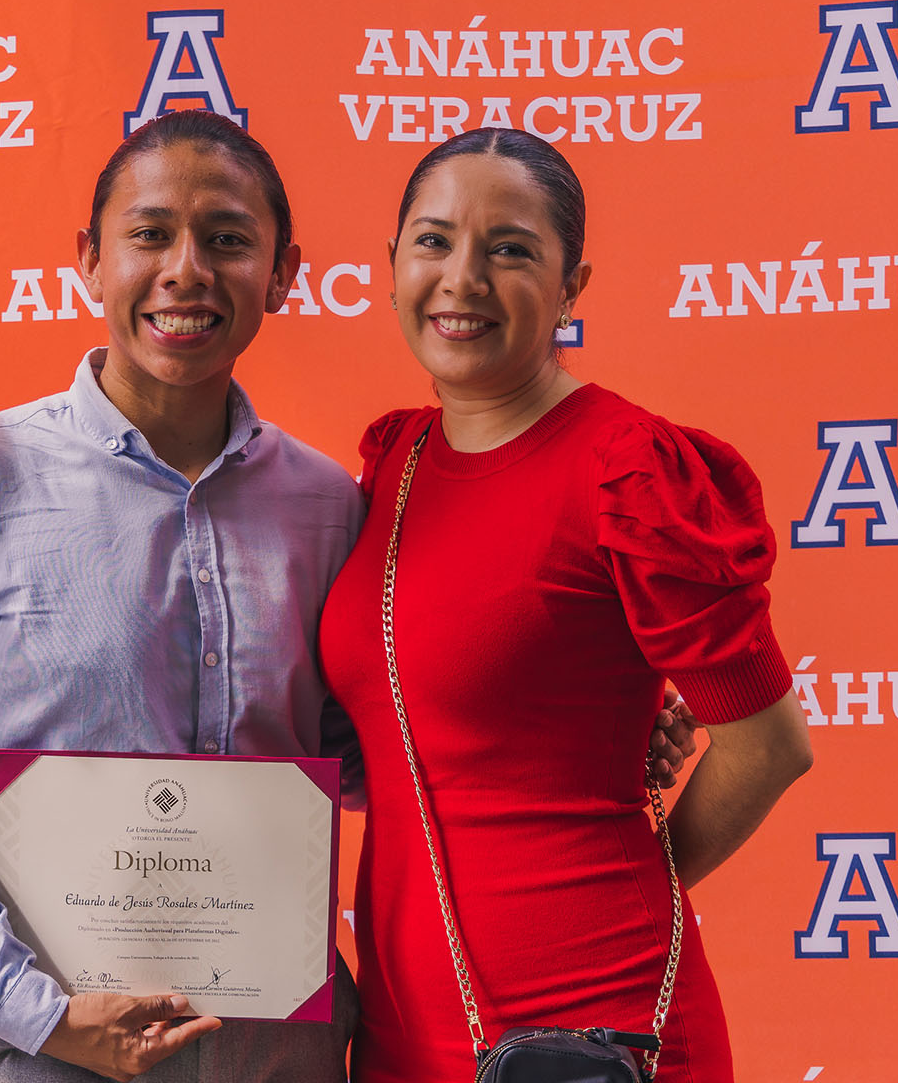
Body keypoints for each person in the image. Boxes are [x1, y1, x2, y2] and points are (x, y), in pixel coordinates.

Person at [0, 110, 364, 1082]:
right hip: (45, 1050)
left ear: (283, 273)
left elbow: (374, 752)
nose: (187, 270)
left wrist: (590, 717)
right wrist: (30, 1008)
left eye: (229, 240)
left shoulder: (330, 507)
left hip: (278, 1054)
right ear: (89, 260)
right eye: (150, 234)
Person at [317, 128, 814, 1082]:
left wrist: (633, 885)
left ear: (571, 288)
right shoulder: (398, 461)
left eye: (510, 250)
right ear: (389, 267)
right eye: (432, 242)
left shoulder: (627, 469)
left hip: (596, 1021)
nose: (462, 278)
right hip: (403, 1024)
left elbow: (770, 742)